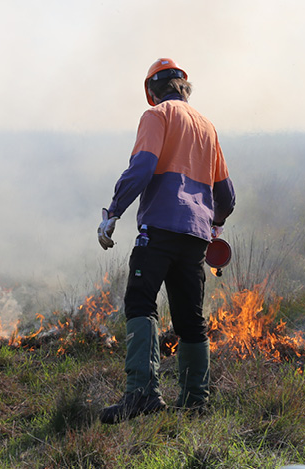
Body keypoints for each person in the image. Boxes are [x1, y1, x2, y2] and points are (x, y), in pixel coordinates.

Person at [97, 58, 235, 424]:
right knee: (191, 319)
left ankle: (141, 395)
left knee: (141, 302)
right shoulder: (207, 127)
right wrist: (214, 225)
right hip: (195, 238)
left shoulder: (156, 117)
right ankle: (195, 403)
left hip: (158, 230)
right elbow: (227, 196)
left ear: (151, 93)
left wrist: (113, 212)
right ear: (184, 87)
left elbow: (141, 168)